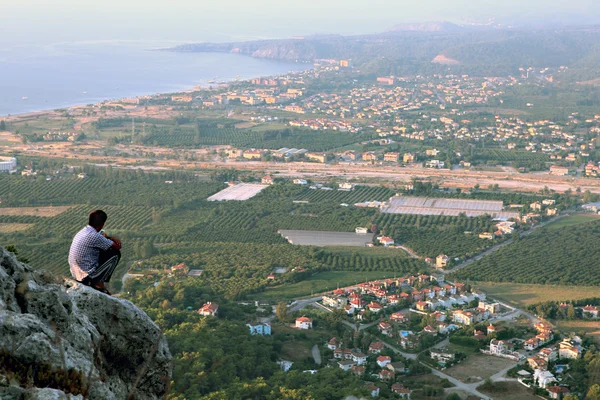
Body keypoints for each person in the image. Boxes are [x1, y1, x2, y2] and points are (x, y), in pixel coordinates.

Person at [68, 210, 122, 295]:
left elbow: (101, 236)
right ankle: (98, 284)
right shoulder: (95, 236)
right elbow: (117, 246)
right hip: (86, 276)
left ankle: (96, 281)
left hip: (76, 274)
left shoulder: (83, 231)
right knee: (115, 253)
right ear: (102, 224)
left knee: (103, 248)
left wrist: (105, 237)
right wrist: (110, 237)